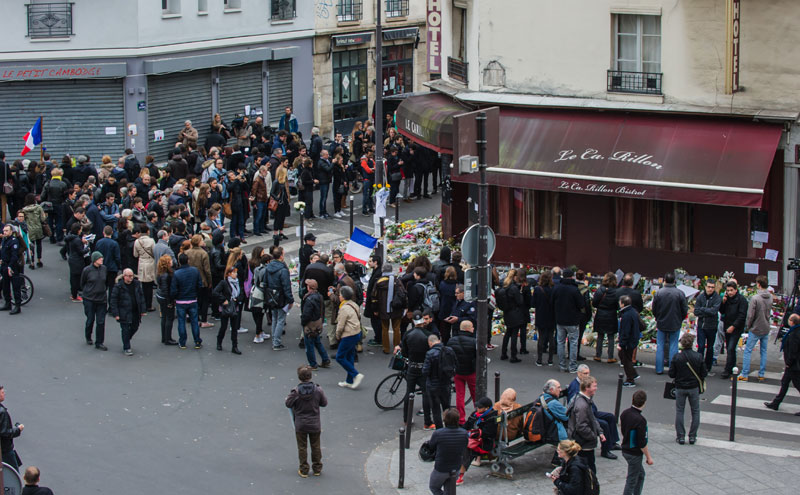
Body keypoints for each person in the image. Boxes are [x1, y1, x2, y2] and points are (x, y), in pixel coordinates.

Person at [285, 366, 328, 478]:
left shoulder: (296, 392)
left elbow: (288, 404)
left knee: (302, 447)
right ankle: (317, 468)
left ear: (299, 377)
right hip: (315, 423)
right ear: (310, 376)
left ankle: (304, 469)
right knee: (316, 446)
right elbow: (324, 403)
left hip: (301, 424)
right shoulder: (318, 390)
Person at [668, 332, 707, 444]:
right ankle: (692, 436)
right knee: (695, 411)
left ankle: (680, 436)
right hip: (694, 387)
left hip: (680, 387)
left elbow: (671, 374)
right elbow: (704, 373)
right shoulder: (698, 356)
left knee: (680, 411)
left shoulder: (677, 357)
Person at [456, 397, 497, 486]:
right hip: (473, 439)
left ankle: (460, 476)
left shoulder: (492, 417)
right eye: (477, 406)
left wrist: (473, 434)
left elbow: (488, 434)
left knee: (467, 449)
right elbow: (466, 425)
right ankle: (454, 469)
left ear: (486, 408)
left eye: (479, 407)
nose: (477, 408)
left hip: (484, 443)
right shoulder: (475, 414)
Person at [651, 272, 688, 374]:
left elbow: (654, 308)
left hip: (662, 322)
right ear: (674, 281)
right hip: (675, 322)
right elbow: (684, 309)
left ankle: (659, 369)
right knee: (673, 345)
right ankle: (672, 369)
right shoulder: (680, 293)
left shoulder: (659, 293)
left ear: (664, 281)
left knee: (660, 345)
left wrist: (657, 317)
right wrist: (680, 318)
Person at [567, 376, 605, 473]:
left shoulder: (583, 400)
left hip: (583, 441)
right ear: (587, 388)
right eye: (594, 386)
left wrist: (599, 432)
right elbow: (581, 426)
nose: (596, 388)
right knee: (589, 469)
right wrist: (593, 436)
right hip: (584, 443)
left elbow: (592, 418)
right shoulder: (582, 405)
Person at [764, 313, 800, 415]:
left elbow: (793, 351)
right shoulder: (794, 331)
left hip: (793, 365)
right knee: (784, 383)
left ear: (792, 322)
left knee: (797, 385)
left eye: (789, 319)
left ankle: (776, 403)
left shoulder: (795, 334)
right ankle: (776, 403)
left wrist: (788, 363)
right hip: (792, 364)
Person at [552, 268, 585, 373]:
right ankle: (572, 366)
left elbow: (551, 301)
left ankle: (562, 365)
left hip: (560, 319)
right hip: (573, 320)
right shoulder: (574, 289)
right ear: (572, 276)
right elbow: (581, 304)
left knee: (560, 342)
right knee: (573, 343)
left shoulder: (557, 288)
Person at [428, 408, 468, 495]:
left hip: (441, 467)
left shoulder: (438, 433)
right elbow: (464, 447)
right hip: (456, 467)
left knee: (434, 487)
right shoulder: (464, 433)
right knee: (450, 491)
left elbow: (431, 447)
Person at [620, 390, 653, 495]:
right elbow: (642, 443)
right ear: (644, 403)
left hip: (625, 449)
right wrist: (648, 457)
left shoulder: (625, 413)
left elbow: (623, 429)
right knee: (632, 480)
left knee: (640, 474)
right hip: (634, 453)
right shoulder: (641, 420)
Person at [741, 275, 772, 381]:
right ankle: (761, 373)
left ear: (758, 284)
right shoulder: (770, 297)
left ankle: (744, 374)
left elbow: (750, 315)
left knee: (748, 351)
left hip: (756, 327)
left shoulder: (755, 298)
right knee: (763, 351)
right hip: (766, 327)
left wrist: (748, 326)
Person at [110, 268, 146, 356]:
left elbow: (141, 297)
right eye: (129, 276)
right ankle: (127, 347)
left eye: (132, 276)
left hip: (135, 311)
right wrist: (116, 313)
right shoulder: (118, 286)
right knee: (125, 329)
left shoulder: (136, 284)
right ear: (124, 276)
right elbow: (113, 300)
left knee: (135, 327)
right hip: (124, 311)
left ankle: (126, 339)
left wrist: (143, 309)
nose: (131, 278)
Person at [371, 263, 406, 354]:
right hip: (396, 308)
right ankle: (396, 347)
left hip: (383, 309)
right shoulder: (397, 281)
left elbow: (374, 297)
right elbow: (403, 294)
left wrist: (375, 309)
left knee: (384, 328)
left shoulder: (379, 282)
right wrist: (405, 307)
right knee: (396, 329)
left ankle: (386, 348)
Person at [170, 253, 203, 349]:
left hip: (181, 301)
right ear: (188, 260)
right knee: (194, 321)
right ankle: (197, 341)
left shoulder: (176, 274)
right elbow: (199, 285)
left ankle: (183, 342)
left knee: (181, 322)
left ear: (179, 261)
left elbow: (173, 290)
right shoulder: (195, 271)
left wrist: (175, 298)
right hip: (192, 299)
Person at [447, 320, 477, 425]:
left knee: (460, 395)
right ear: (468, 329)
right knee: (475, 394)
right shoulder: (474, 341)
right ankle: (478, 414)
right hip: (470, 371)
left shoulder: (451, 341)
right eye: (472, 327)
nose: (473, 328)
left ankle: (461, 419)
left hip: (458, 372)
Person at [334, 285, 364, 389]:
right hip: (356, 333)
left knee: (340, 357)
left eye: (340, 294)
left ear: (343, 296)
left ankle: (356, 374)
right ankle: (349, 380)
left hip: (348, 335)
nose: (339, 296)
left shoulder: (344, 308)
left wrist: (337, 335)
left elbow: (340, 325)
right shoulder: (354, 304)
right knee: (350, 356)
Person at [267, 245, 294, 350]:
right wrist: (290, 299)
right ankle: (276, 342)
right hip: (281, 296)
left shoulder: (268, 267)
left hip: (271, 295)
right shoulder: (283, 270)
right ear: (281, 256)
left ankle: (274, 339)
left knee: (274, 318)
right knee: (281, 319)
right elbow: (286, 286)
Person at [719, 280, 748, 379]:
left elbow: (742, 316)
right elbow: (722, 311)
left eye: (731, 290)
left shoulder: (742, 300)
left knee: (731, 347)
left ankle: (727, 369)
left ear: (736, 290)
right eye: (728, 290)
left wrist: (733, 326)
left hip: (736, 328)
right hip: (727, 326)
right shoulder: (727, 300)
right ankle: (732, 366)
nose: (730, 292)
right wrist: (723, 302)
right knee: (730, 348)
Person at [213, 266, 244, 354]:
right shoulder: (224, 283)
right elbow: (215, 292)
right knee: (224, 326)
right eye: (234, 272)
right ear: (229, 274)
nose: (236, 274)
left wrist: (237, 299)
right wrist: (224, 300)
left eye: (236, 272)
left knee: (234, 328)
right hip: (226, 308)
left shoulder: (238, 282)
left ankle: (235, 346)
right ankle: (219, 342)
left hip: (235, 307)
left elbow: (241, 293)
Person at [500, 270, 530, 363]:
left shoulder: (505, 286)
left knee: (507, 333)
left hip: (507, 312)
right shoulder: (514, 288)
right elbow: (520, 301)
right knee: (514, 334)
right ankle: (513, 355)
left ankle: (503, 353)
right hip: (515, 313)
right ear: (515, 277)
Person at [80, 251, 108, 350]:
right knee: (90, 319)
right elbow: (82, 283)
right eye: (100, 258)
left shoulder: (104, 269)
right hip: (89, 299)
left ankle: (99, 342)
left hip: (101, 300)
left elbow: (106, 282)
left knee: (101, 322)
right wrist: (87, 293)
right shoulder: (87, 270)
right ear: (95, 260)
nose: (102, 259)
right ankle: (88, 336)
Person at [423, 334, 451, 429]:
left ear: (430, 343)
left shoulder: (430, 353)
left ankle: (439, 429)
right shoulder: (449, 351)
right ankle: (449, 426)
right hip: (446, 383)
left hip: (433, 385)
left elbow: (425, 371)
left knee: (435, 409)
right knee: (446, 407)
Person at [301, 278, 331, 369]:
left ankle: (313, 364)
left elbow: (306, 314)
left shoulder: (309, 299)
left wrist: (303, 322)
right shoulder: (319, 296)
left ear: (309, 287)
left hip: (310, 324)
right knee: (317, 342)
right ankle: (325, 359)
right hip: (318, 322)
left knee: (309, 345)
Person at [694, 278, 722, 374]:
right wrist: (706, 310)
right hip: (701, 326)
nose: (710, 289)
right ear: (705, 287)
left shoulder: (717, 298)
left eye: (712, 287)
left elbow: (714, 311)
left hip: (712, 326)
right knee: (700, 347)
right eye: (709, 287)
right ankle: (698, 366)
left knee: (710, 347)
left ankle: (707, 367)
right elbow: (696, 311)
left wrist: (702, 309)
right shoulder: (700, 297)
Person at [593, 272, 619, 363]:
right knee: (610, 336)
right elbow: (618, 306)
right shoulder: (616, 292)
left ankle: (598, 355)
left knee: (600, 335)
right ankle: (610, 357)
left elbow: (594, 303)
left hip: (600, 314)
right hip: (611, 315)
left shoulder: (600, 290)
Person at [533, 270, 557, 366]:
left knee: (541, 337)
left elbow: (533, 303)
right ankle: (550, 360)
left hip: (541, 315)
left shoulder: (537, 289)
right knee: (551, 337)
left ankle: (539, 359)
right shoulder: (554, 289)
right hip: (551, 316)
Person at [617, 295, 642, 386]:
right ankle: (633, 374)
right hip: (633, 339)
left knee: (626, 359)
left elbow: (625, 331)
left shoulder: (626, 315)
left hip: (628, 341)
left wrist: (621, 343)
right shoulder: (633, 312)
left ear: (623, 304)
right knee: (625, 357)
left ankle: (630, 379)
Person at [0, 224, 24, 314]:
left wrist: (10, 266)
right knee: (5, 286)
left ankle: (17, 306)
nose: (4, 232)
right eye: (4, 231)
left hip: (12, 266)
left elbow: (14, 256)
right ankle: (7, 303)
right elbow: (2, 252)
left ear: (11, 231)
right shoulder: (4, 240)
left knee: (15, 286)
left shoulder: (14, 241)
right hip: (4, 265)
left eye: (6, 231)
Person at [132, 224, 156, 311]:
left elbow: (135, 255)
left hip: (142, 263)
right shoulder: (151, 241)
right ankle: (149, 304)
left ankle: (143, 303)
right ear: (147, 231)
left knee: (143, 285)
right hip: (150, 263)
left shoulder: (137, 241)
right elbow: (154, 253)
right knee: (149, 286)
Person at [0, 384, 23, 472]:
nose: (4, 393)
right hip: (5, 450)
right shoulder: (2, 412)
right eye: (2, 392)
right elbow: (4, 432)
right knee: (13, 473)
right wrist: (18, 429)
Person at [156, 254, 178, 345]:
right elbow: (166, 290)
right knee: (169, 317)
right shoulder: (167, 275)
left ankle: (164, 337)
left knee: (164, 317)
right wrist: (170, 301)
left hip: (160, 296)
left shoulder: (160, 273)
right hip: (166, 298)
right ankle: (168, 338)